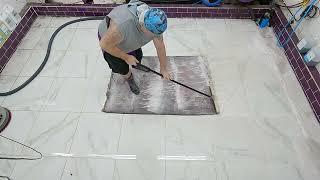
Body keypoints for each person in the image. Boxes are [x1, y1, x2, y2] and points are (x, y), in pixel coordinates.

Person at [98, 0, 171, 95]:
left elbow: (160, 46)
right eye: (152, 34)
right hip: (111, 42)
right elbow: (104, 44)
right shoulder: (122, 26)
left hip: (128, 38)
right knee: (121, 67)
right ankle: (129, 78)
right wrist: (126, 57)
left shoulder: (154, 20)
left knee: (137, 56)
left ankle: (136, 65)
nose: (155, 36)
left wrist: (163, 69)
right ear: (143, 25)